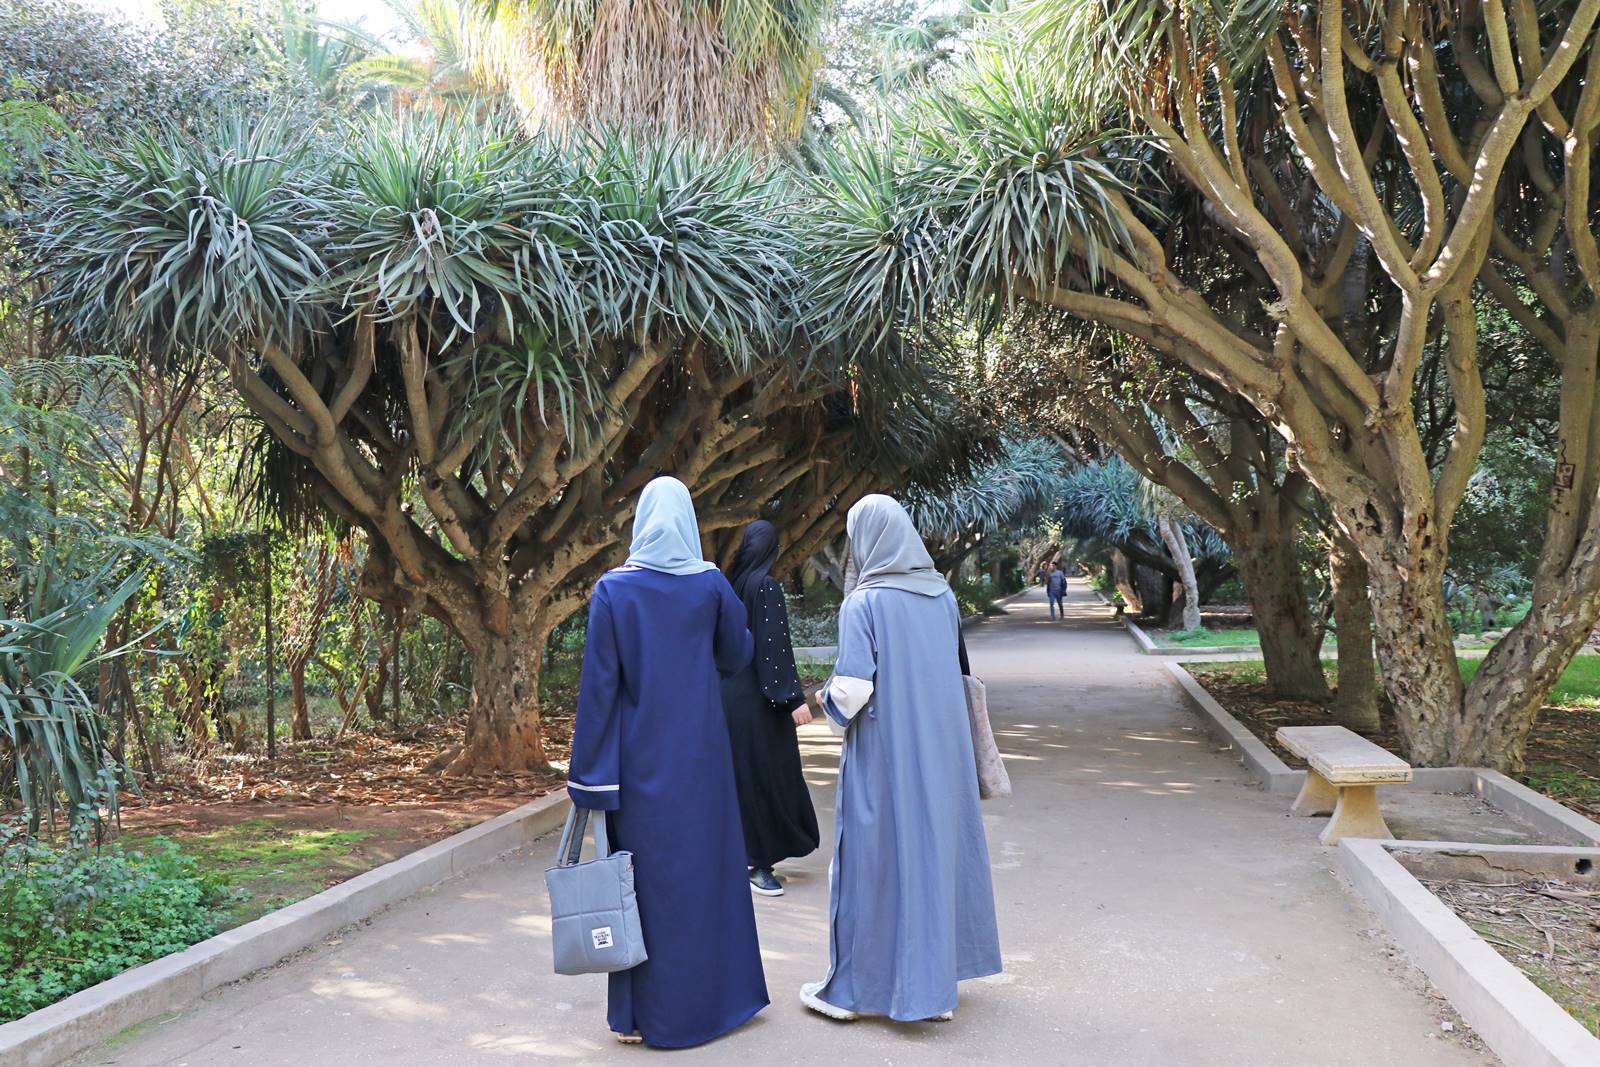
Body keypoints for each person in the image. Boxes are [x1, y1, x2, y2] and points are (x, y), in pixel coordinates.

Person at [568, 476, 768, 1047]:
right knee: (707, 877)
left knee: (645, 886)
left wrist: (589, 779)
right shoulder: (709, 585)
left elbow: (599, 689)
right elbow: (737, 655)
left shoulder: (613, 590)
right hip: (703, 761)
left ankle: (640, 1017)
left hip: (639, 767)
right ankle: (718, 1003)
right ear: (687, 518)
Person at [805, 494, 1002, 1023]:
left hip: (885, 754)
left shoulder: (863, 604)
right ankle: (933, 990)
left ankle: (854, 991)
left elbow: (851, 690)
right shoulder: (942, 596)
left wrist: (821, 703)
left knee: (875, 863)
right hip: (944, 753)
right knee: (934, 857)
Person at [720, 520, 821, 897]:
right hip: (759, 701)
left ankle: (744, 858)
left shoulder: (732, 585)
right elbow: (773, 646)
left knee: (743, 778)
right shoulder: (765, 585)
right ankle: (760, 864)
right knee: (768, 779)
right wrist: (791, 698)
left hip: (729, 696)